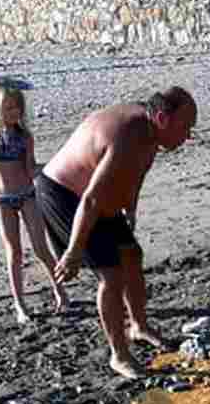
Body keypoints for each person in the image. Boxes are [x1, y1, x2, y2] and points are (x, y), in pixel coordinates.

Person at [36, 87, 198, 379]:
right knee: (110, 275)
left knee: (132, 255)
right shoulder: (128, 134)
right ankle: (119, 356)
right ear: (162, 118)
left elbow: (137, 171)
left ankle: (139, 327)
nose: (188, 136)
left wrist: (130, 209)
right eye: (185, 128)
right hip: (64, 194)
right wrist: (73, 251)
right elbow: (91, 199)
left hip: (97, 195)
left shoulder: (150, 130)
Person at [0, 79, 69, 325]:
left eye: (18, 107)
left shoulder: (25, 136)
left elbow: (29, 168)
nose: (15, 112)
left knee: (40, 249)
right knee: (13, 253)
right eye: (9, 108)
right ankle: (20, 305)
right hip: (2, 201)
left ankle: (60, 290)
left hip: (27, 196)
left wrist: (55, 167)